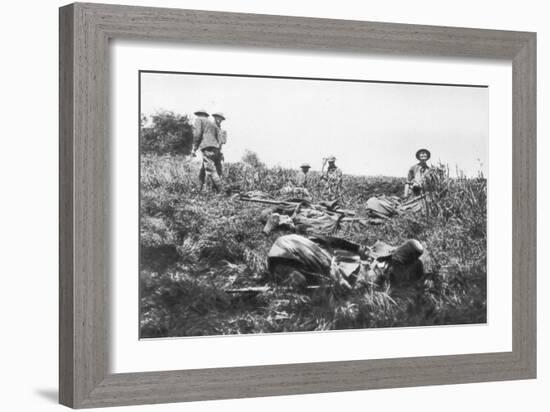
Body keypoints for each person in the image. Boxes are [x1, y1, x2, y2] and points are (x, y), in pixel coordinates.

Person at [192, 109, 223, 192]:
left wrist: (194, 148)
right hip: (215, 148)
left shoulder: (199, 120)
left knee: (210, 170)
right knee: (203, 169)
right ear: (206, 115)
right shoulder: (212, 124)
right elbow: (220, 140)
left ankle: (222, 190)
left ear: (199, 114)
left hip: (207, 147)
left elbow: (197, 134)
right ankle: (199, 188)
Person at [212, 112, 227, 177]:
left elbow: (222, 142)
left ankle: (214, 186)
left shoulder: (220, 130)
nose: (220, 120)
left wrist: (220, 153)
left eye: (221, 119)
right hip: (210, 152)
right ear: (215, 117)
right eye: (218, 118)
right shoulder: (210, 127)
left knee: (218, 172)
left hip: (217, 152)